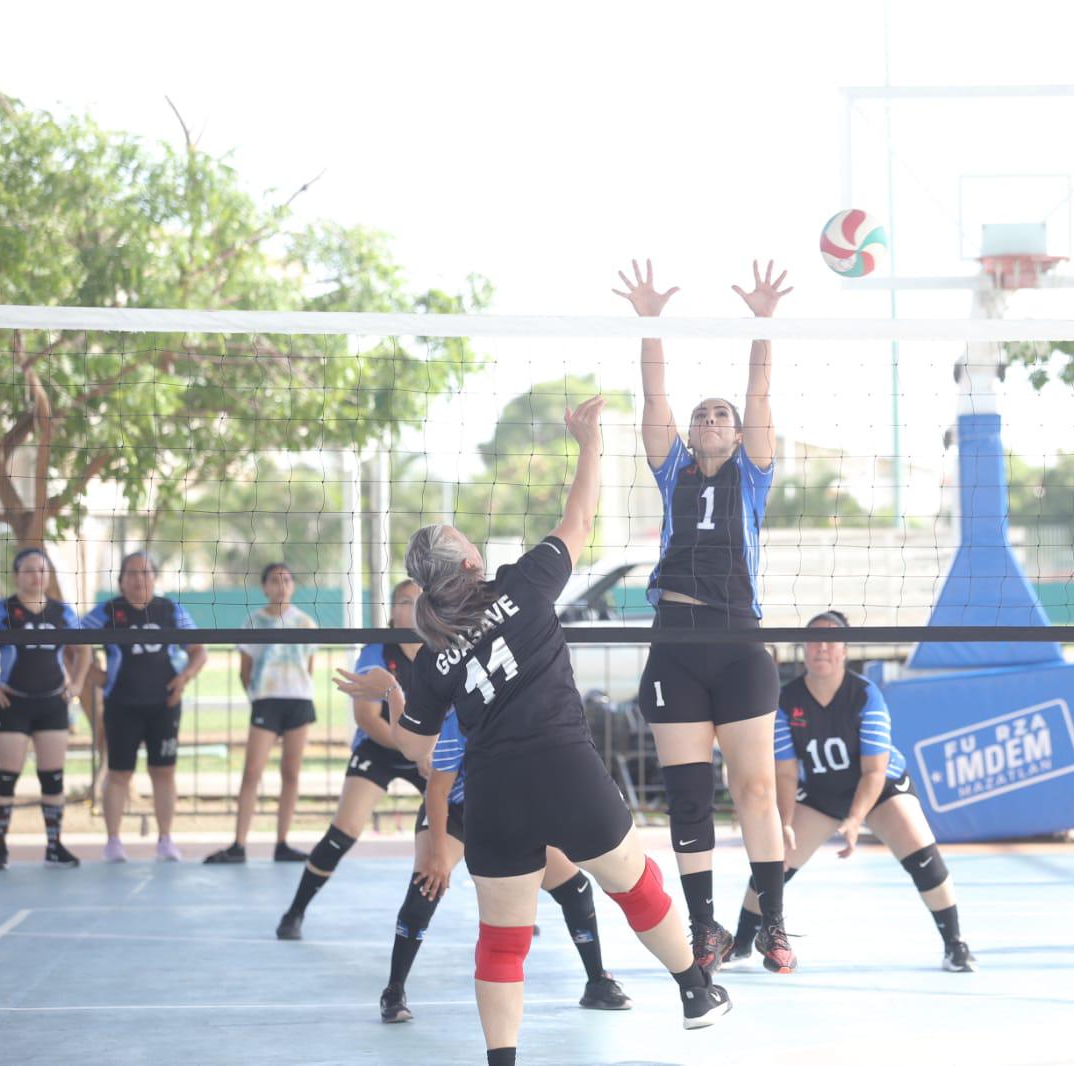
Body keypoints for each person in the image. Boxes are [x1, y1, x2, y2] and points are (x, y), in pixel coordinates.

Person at [394, 395, 730, 1066]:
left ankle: (503, 1062)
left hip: (491, 795)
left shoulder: (431, 659)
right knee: (636, 886)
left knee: (502, 940)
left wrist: (393, 695)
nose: (469, 538)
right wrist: (587, 442)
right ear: (466, 566)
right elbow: (580, 517)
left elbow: (417, 744)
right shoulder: (521, 587)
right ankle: (695, 992)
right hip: (563, 768)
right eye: (461, 538)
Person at [613, 258, 796, 974]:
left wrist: (762, 324)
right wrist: (650, 321)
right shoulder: (672, 472)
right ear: (691, 436)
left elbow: (758, 391)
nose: (713, 419)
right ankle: (705, 931)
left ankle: (775, 925)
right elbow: (653, 392)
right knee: (688, 797)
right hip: (676, 641)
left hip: (741, 639)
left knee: (753, 789)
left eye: (721, 415)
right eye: (703, 415)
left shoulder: (753, 474)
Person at [337, 696, 631, 1023]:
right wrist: (436, 855)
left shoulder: (535, 721)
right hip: (455, 812)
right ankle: (394, 990)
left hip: (507, 815)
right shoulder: (461, 719)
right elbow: (436, 791)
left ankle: (596, 982)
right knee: (427, 883)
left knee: (575, 889)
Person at [728, 610, 977, 972]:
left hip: (881, 789)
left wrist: (856, 820)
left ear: (844, 650)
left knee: (923, 856)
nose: (822, 648)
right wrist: (784, 822)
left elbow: (874, 771)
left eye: (831, 641)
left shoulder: (865, 695)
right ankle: (743, 942)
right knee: (775, 859)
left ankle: (955, 944)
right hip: (821, 793)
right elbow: (785, 773)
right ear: (804, 649)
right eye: (814, 641)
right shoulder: (786, 701)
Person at [275, 579, 427, 939]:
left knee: (473, 825)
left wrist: (428, 754)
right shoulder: (377, 651)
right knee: (343, 832)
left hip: (426, 750)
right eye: (406, 601)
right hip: (381, 747)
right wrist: (409, 749)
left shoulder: (442, 650)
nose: (415, 607)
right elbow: (367, 719)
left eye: (422, 601)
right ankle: (295, 912)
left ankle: (512, 912)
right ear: (392, 612)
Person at [80, 551, 207, 863]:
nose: (140, 579)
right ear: (121, 580)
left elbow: (199, 651)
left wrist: (184, 678)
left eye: (145, 572)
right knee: (119, 772)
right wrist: (96, 677)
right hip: (122, 705)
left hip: (164, 705)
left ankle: (165, 840)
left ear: (154, 578)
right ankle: (113, 842)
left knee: (163, 772)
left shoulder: (170, 610)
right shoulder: (107, 612)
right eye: (132, 573)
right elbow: (73, 642)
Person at [205, 562, 318, 864]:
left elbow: (309, 668)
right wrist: (258, 696)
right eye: (274, 580)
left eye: (287, 580)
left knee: (290, 773)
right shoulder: (252, 622)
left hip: (298, 701)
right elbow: (245, 671)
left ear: (293, 586)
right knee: (252, 772)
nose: (281, 586)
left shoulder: (306, 622)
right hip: (266, 702)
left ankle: (282, 843)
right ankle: (239, 845)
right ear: (264, 587)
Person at [0, 547, 90, 869]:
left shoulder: (62, 612)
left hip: (51, 703)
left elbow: (83, 651)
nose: (37, 576)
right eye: (30, 570)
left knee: (53, 778)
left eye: (42, 570)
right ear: (17, 574)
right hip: (12, 702)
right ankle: (0, 848)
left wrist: (75, 685)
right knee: (6, 778)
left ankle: (54, 846)